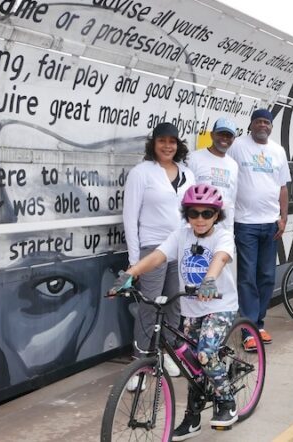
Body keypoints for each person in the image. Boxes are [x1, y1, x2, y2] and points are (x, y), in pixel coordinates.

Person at [111, 184, 241, 436]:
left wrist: (210, 279)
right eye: (194, 213)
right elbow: (158, 256)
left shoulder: (222, 236)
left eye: (207, 213)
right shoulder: (181, 234)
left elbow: (220, 257)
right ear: (186, 214)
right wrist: (130, 274)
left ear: (217, 215)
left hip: (220, 306)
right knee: (189, 362)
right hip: (192, 308)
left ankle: (227, 400)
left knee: (204, 354)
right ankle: (193, 417)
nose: (200, 219)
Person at [123, 122, 195, 367]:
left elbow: (193, 212)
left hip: (180, 247)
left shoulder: (187, 173)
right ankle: (140, 361)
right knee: (150, 307)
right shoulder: (141, 172)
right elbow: (130, 218)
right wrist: (135, 262)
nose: (167, 146)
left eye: (172, 141)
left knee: (175, 304)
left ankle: (169, 355)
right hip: (152, 248)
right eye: (162, 141)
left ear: (178, 145)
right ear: (153, 144)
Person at [228, 108, 291, 350]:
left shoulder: (278, 150)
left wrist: (283, 218)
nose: (263, 125)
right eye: (259, 122)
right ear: (251, 124)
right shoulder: (237, 146)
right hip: (245, 223)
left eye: (267, 122)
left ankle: (259, 324)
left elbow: (282, 187)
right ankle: (247, 329)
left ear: (271, 126)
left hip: (271, 223)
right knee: (247, 277)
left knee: (266, 276)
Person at [188, 118, 239, 231]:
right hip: (198, 228)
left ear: (233, 139)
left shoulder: (233, 165)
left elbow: (231, 201)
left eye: (228, 135)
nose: (224, 138)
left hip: (223, 231)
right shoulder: (194, 158)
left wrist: (230, 231)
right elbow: (185, 195)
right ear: (211, 135)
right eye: (221, 134)